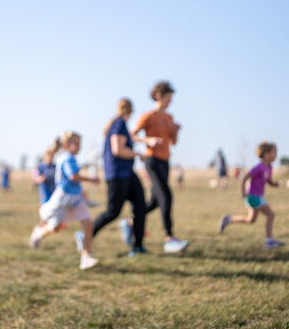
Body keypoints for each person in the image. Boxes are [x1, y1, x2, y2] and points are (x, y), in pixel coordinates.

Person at [131, 81, 189, 253]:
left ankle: (129, 223)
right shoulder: (148, 116)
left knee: (156, 201)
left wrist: (176, 131)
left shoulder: (169, 118)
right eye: (169, 97)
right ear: (159, 96)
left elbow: (174, 142)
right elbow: (132, 135)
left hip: (165, 160)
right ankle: (169, 238)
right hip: (152, 160)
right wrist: (148, 140)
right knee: (166, 195)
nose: (170, 101)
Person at [29, 131, 100, 270]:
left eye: (80, 144)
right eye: (76, 144)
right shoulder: (67, 158)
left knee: (88, 225)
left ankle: (85, 257)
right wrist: (91, 179)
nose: (80, 147)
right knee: (54, 228)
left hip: (75, 199)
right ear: (67, 145)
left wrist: (83, 194)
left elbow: (75, 181)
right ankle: (38, 233)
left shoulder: (70, 158)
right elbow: (73, 176)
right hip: (62, 198)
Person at [91, 98, 148, 256]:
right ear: (130, 111)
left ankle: (137, 247)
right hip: (117, 174)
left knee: (141, 207)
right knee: (113, 211)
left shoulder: (118, 124)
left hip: (127, 173)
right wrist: (137, 154)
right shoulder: (118, 124)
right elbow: (118, 150)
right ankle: (87, 235)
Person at [219, 142, 284, 249]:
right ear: (267, 154)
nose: (276, 155)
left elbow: (269, 181)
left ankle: (228, 219)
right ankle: (269, 241)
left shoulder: (269, 168)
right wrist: (242, 191)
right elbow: (245, 177)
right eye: (274, 153)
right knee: (271, 215)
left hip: (258, 196)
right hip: (253, 196)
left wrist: (276, 184)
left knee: (251, 220)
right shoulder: (259, 167)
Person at [34, 139, 60, 203]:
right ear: (44, 156)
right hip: (45, 192)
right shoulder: (41, 167)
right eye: (48, 156)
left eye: (51, 156)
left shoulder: (55, 166)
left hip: (54, 191)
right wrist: (40, 179)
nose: (50, 158)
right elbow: (35, 179)